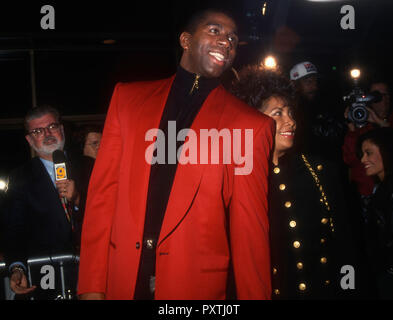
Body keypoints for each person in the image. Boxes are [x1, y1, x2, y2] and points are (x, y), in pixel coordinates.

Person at [77, 9, 275, 300]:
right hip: (123, 280)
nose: (227, 42)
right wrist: (91, 286)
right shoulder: (127, 100)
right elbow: (102, 197)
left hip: (193, 288)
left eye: (233, 38)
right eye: (215, 31)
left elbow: (250, 232)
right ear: (186, 40)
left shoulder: (250, 126)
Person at [230, 65, 359, 299]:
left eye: (290, 112)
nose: (290, 121)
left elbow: (345, 247)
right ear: (251, 119)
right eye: (277, 113)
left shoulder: (319, 171)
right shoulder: (237, 179)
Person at [2, 105, 80, 299]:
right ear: (29, 140)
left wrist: (78, 198)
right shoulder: (20, 177)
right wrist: (17, 267)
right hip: (48, 276)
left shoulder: (90, 166)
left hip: (94, 272)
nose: (47, 133)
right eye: (38, 131)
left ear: (61, 130)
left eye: (52, 126)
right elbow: (14, 229)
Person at [357, 127, 393, 299]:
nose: (363, 159)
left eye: (368, 153)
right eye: (362, 154)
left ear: (387, 152)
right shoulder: (383, 189)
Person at [343, 81, 393, 197]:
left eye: (386, 95)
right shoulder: (361, 125)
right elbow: (350, 159)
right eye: (377, 96)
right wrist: (352, 129)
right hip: (366, 194)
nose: (383, 99)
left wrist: (382, 124)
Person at [290, 61, 345, 162]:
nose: (314, 87)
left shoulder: (326, 104)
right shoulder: (287, 111)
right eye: (308, 82)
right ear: (295, 85)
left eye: (315, 81)